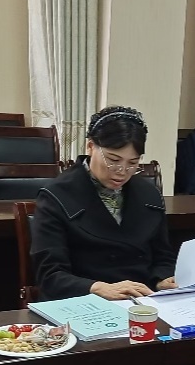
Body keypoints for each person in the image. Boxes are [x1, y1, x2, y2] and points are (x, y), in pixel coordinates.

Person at [31, 106, 177, 301]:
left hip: (140, 300)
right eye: (113, 160)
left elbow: (163, 256)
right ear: (90, 146)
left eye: (132, 163)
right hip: (82, 302)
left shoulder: (149, 195)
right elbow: (50, 275)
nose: (121, 171)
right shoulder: (57, 195)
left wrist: (161, 280)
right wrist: (97, 288)